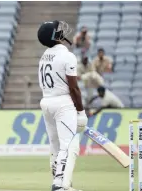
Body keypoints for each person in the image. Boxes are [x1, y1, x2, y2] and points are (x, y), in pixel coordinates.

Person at [37, 20, 88, 191]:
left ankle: (58, 182)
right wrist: (81, 111)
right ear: (55, 36)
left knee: (55, 145)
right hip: (63, 103)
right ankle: (60, 185)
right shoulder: (67, 56)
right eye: (58, 30)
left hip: (46, 101)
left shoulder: (45, 55)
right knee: (68, 145)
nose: (62, 31)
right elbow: (73, 87)